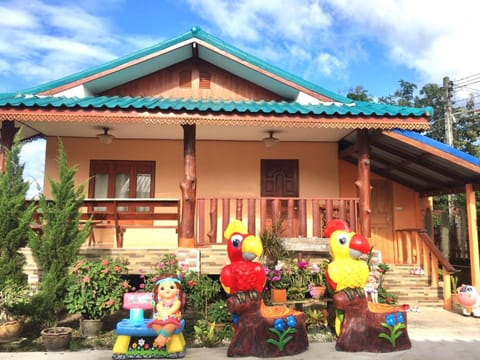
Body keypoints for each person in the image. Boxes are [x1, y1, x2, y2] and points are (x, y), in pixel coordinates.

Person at [147, 275, 184, 349]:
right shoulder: (160, 302)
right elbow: (159, 308)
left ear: (177, 290)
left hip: (173, 318)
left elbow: (173, 309)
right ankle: (165, 337)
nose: (167, 290)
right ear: (158, 292)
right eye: (162, 288)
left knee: (170, 324)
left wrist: (167, 313)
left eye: (171, 287)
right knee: (154, 325)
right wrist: (163, 314)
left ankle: (161, 338)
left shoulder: (176, 301)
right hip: (162, 318)